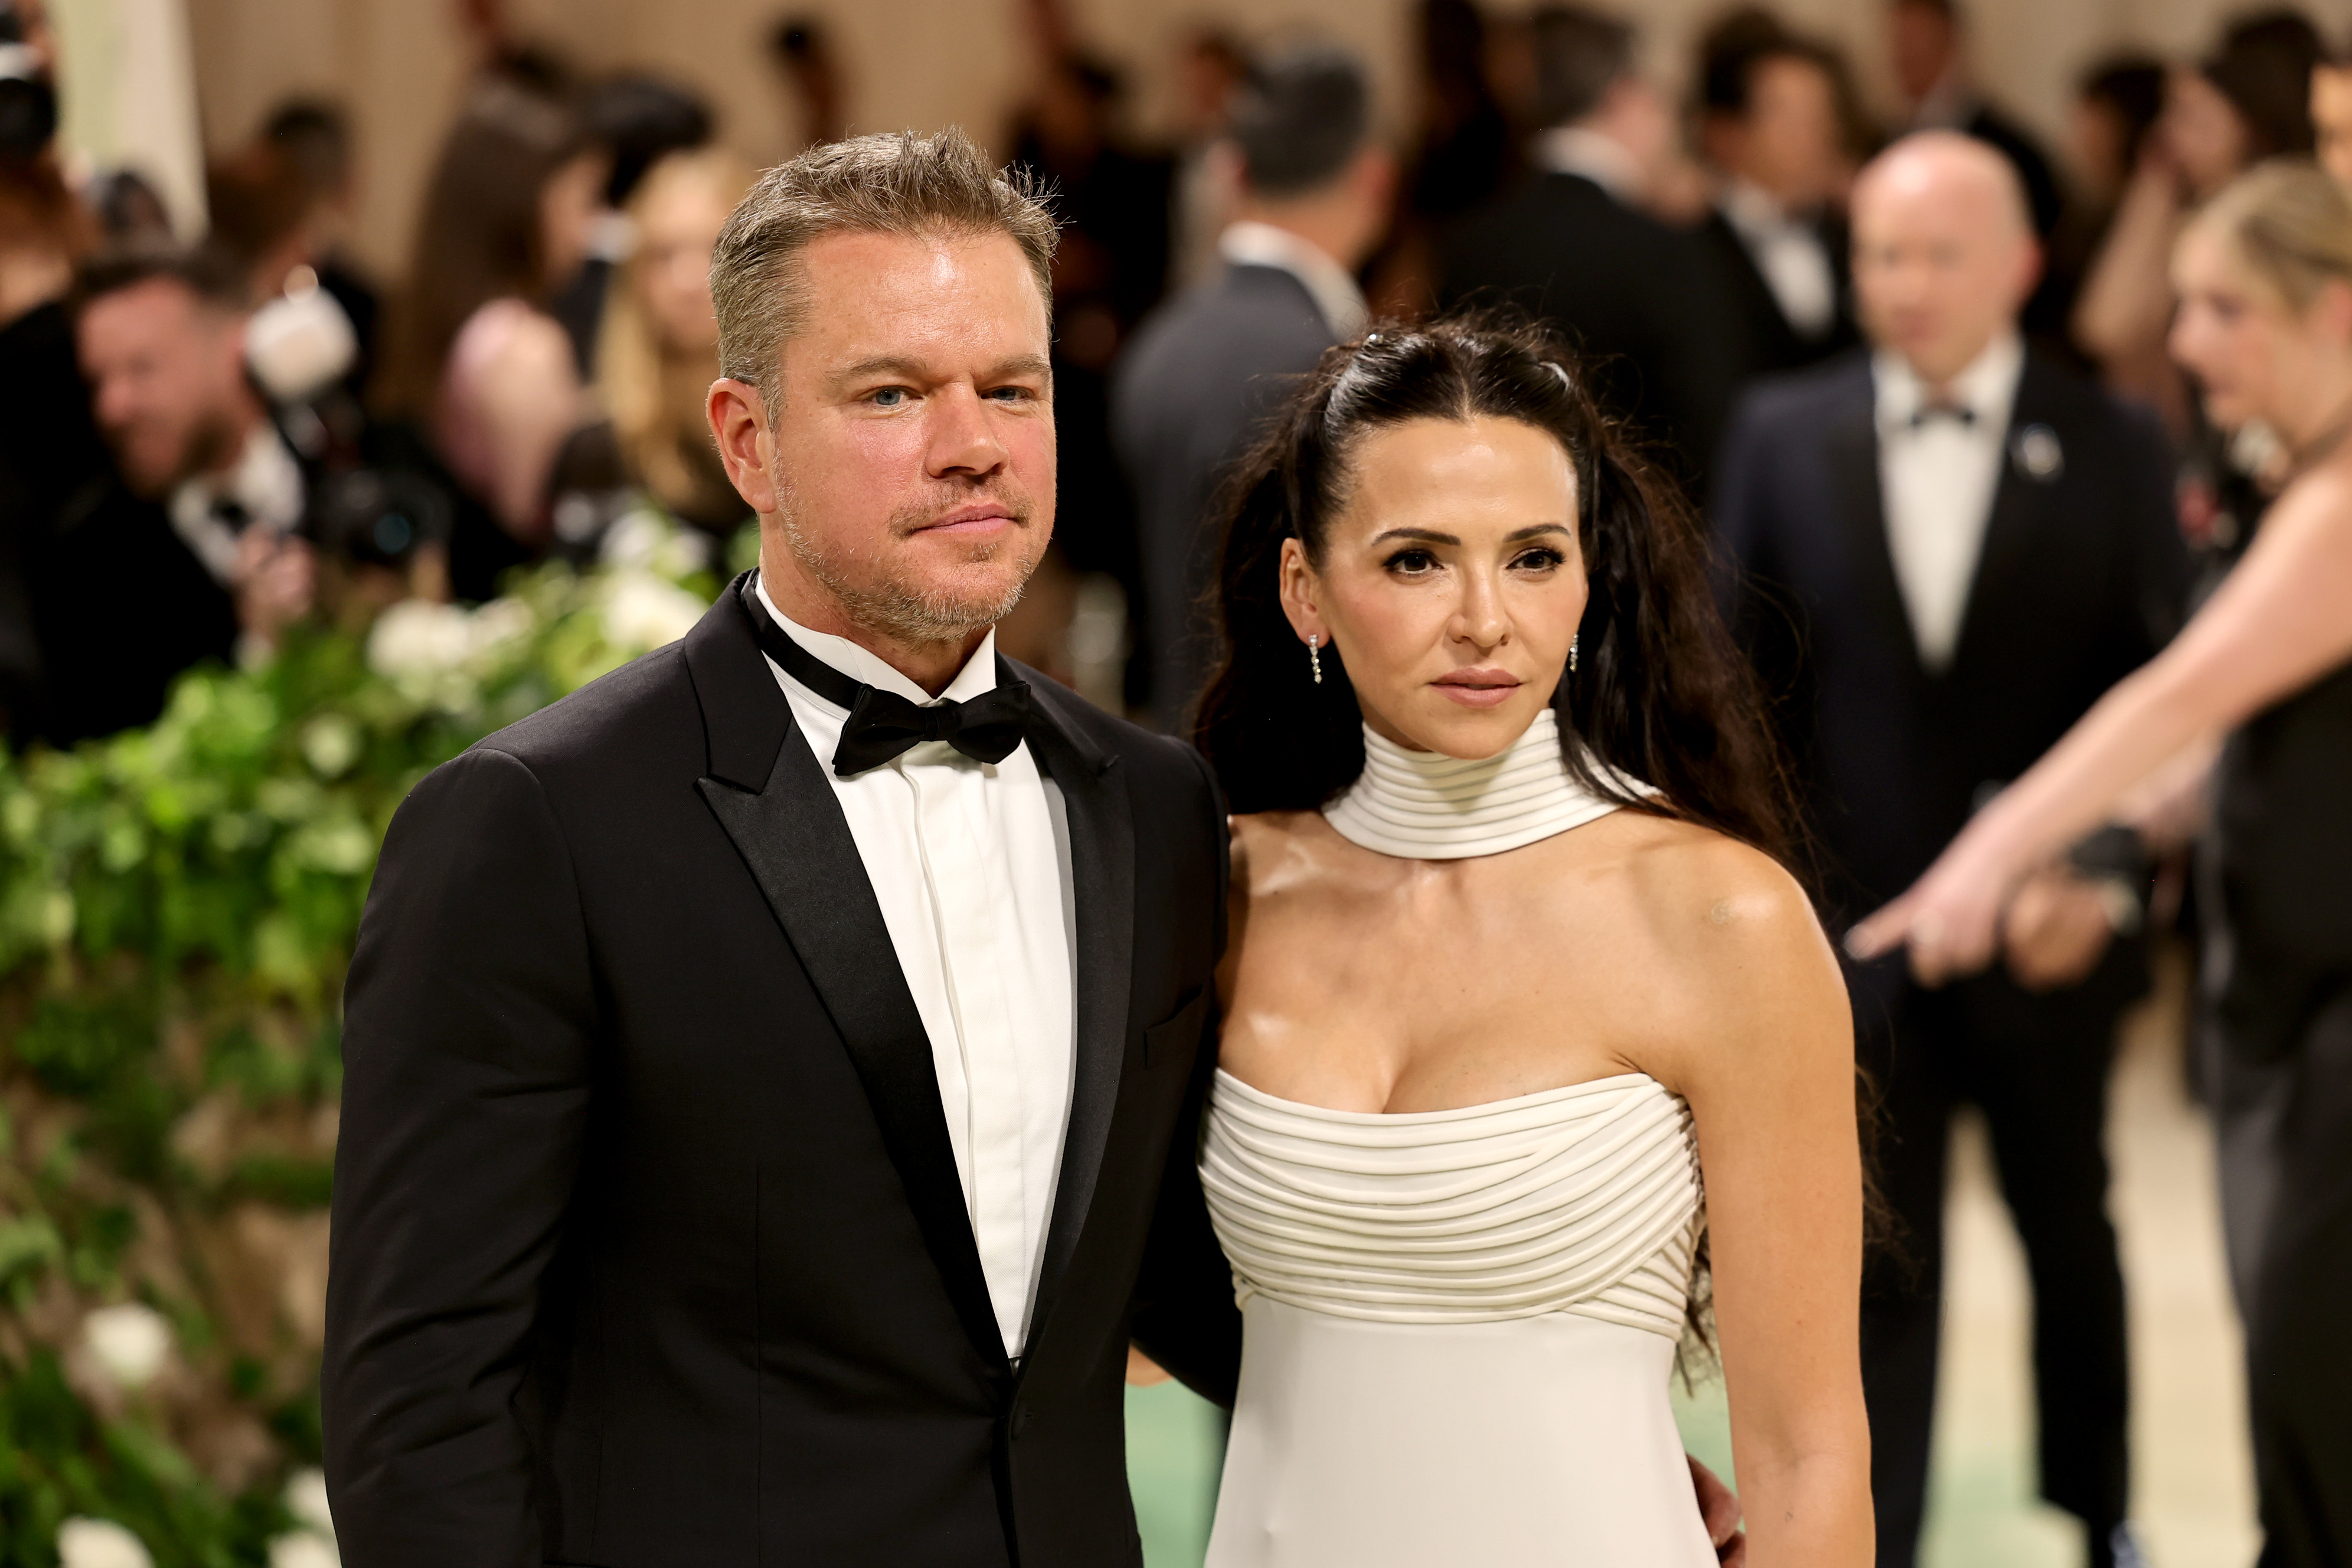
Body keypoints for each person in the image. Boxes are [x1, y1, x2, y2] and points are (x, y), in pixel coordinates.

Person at [322, 126, 1242, 1567]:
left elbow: (1188, 1282)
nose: (972, 443)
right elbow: (420, 1409)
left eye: (1012, 386)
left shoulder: (1156, 804)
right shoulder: (536, 825)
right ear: (747, 439)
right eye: (893, 393)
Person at [1191, 316, 1867, 1566]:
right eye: (1416, 562)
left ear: (1588, 578)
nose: (1485, 619)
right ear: (1306, 593)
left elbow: (1807, 1455)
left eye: (1533, 556)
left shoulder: (1722, 918)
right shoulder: (1221, 896)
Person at [1851, 158, 2352, 1568]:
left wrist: (1980, 864)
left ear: (2337, 315)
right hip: (2277, 1013)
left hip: (2334, 1035)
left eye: (2223, 308)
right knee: (2294, 1395)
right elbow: (2220, 758)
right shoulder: (2293, 479)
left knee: (2316, 1391)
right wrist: (2089, 850)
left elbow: (2168, 703)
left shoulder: (2342, 500)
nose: (2183, 343)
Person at [1714, 133, 2186, 1568]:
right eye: (1878, 255)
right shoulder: (1781, 430)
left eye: (1937, 255)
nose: (1903, 285)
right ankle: (1881, 1530)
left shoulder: (2113, 442)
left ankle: (2098, 1509)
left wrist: (2098, 873)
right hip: (1851, 936)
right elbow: (1734, 690)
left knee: (2070, 1225)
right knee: (1872, 1257)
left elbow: (2165, 691)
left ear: (2022, 267)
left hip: (2046, 932)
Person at [1114, 45, 1392, 729]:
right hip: (1300, 778)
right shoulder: (1334, 367)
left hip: (1175, 753)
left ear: (1233, 172)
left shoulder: (1157, 343)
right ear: (1376, 177)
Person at [22, 247, 315, 745]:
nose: (113, 407)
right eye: (99, 380)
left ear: (234, 351)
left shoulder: (357, 459)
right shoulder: (84, 565)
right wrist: (259, 651)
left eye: (142, 369)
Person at [1440, 5, 1740, 487]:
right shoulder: (1662, 250)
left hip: (1505, 524)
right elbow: (1708, 430)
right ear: (1629, 96)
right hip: (1637, 539)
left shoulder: (1473, 244)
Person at [377, 77, 605, 601]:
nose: (588, 230)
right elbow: (537, 531)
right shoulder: (525, 347)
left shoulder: (440, 324)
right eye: (581, 200)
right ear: (525, 205)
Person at [1692, 14, 1860, 383]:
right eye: (1794, 121)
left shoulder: (1855, 238)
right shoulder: (1691, 252)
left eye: (1825, 118)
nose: (1819, 137)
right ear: (1732, 133)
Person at [1886, 0, 2062, 238]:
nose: (1903, 54)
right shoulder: (1889, 140)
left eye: (1915, 39)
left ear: (1950, 40)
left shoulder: (2009, 149)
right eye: (1897, 39)